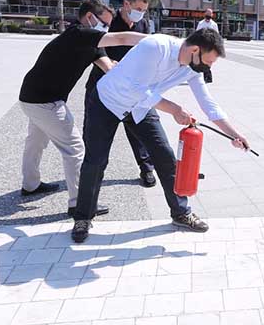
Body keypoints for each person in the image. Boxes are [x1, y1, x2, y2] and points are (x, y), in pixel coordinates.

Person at [72, 28, 250, 242]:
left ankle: (181, 213)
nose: (208, 67)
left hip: (140, 108)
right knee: (96, 160)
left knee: (165, 158)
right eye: (208, 62)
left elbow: (207, 103)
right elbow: (136, 87)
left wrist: (234, 134)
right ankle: (83, 217)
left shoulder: (192, 68)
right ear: (195, 49)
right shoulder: (156, 47)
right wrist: (174, 109)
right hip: (108, 101)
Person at [18, 0, 147, 216]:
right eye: (104, 24)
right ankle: (80, 204)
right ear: (89, 17)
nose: (105, 29)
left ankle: (30, 185)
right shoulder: (78, 33)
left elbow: (109, 67)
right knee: (75, 149)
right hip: (45, 102)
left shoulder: (90, 43)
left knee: (35, 142)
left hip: (30, 97)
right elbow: (123, 37)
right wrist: (161, 41)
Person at [85, 0, 159, 188]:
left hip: (131, 88)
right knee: (96, 135)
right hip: (103, 86)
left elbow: (148, 51)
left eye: (144, 10)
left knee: (137, 129)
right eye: (138, 8)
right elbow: (95, 47)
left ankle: (146, 168)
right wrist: (109, 64)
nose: (141, 13)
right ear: (126, 4)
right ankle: (91, 177)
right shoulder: (110, 22)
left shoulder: (142, 24)